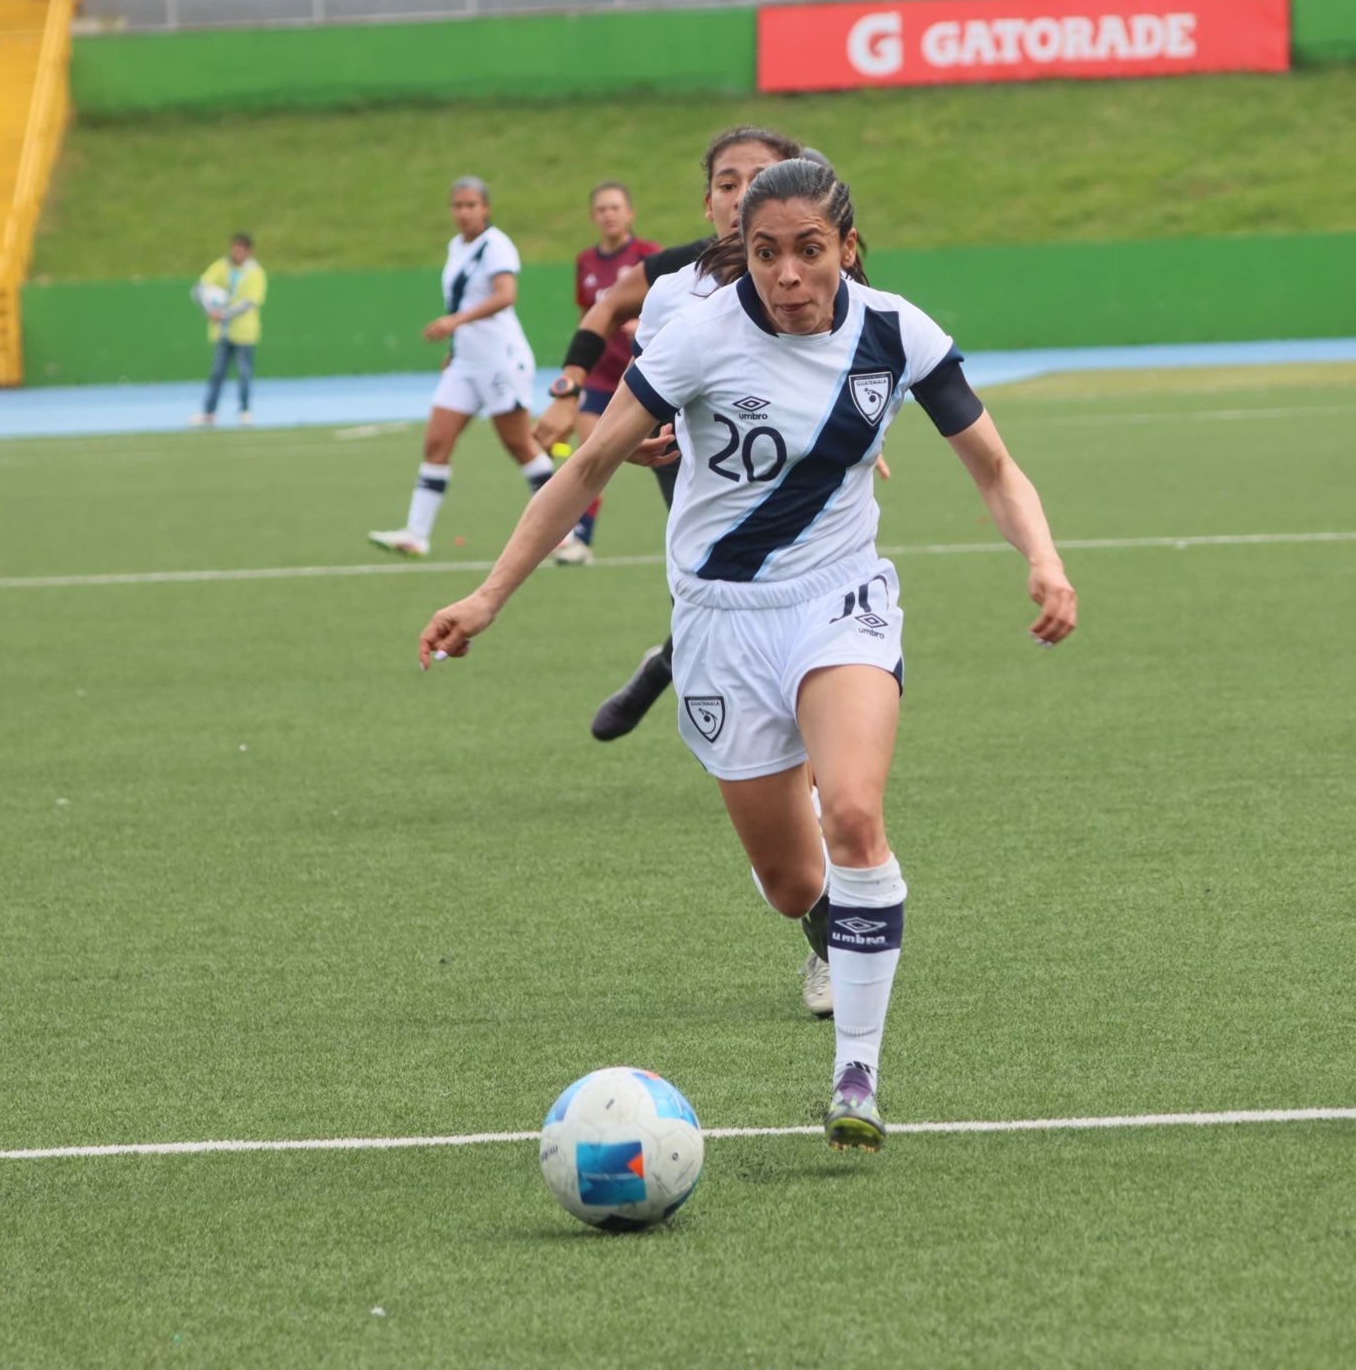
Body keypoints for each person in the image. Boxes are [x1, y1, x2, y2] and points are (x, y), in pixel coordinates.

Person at [419, 159, 1078, 1150]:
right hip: (717, 625)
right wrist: (488, 595)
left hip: (837, 603)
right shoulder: (696, 340)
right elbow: (589, 463)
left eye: (808, 250)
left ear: (845, 249)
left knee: (856, 814)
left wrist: (1042, 558)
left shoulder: (898, 333)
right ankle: (813, 859)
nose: (786, 273)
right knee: (788, 883)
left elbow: (993, 466)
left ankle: (855, 1075)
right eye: (765, 252)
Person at [536, 128, 806, 745]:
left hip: (788, 457)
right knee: (723, 577)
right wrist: (568, 386)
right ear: (706, 202)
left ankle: (677, 675)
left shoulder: (814, 269)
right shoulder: (674, 275)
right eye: (727, 185)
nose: (741, 198)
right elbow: (603, 311)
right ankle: (673, 675)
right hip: (683, 450)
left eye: (757, 183)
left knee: (779, 585)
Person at [368, 177, 560, 561]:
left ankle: (565, 533)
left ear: (485, 208)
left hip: (499, 360)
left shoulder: (496, 245)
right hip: (467, 363)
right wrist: (456, 349)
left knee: (519, 445)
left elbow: (505, 296)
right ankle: (416, 535)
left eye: (472, 205)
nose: (464, 212)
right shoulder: (456, 246)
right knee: (436, 442)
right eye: (457, 205)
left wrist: (455, 323)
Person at [551, 181, 660, 566]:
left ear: (630, 213)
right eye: (602, 209)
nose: (609, 214)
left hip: (642, 374)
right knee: (590, 454)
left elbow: (670, 306)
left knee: (667, 460)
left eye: (616, 207)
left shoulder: (649, 256)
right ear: (593, 217)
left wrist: (643, 324)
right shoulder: (586, 262)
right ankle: (580, 539)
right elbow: (589, 316)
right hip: (599, 377)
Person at [189, 232, 266, 427]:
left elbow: (250, 302)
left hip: (244, 332)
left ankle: (245, 411)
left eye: (242, 248)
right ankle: (209, 413)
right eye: (235, 247)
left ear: (249, 251)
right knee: (217, 373)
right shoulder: (220, 267)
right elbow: (198, 289)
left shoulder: (255, 273)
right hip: (222, 332)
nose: (237, 251)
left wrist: (224, 313)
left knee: (244, 372)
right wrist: (210, 309)